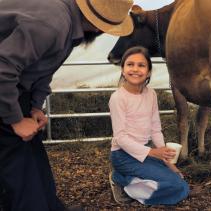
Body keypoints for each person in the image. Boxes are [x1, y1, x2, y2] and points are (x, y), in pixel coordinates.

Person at [0, 0, 134, 210]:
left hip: (12, 87)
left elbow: (44, 69)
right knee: (18, 163)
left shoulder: (67, 23)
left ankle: (50, 206)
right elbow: (3, 68)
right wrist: (14, 120)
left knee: (33, 154)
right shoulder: (52, 23)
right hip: (4, 84)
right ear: (98, 25)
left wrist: (35, 106)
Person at [109, 46, 190, 205]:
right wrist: (154, 152)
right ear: (123, 69)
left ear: (149, 72)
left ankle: (127, 179)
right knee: (180, 187)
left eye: (141, 65)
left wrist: (167, 160)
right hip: (123, 156)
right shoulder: (118, 98)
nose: (135, 69)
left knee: (177, 177)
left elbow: (155, 128)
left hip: (144, 152)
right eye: (130, 64)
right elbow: (120, 138)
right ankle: (123, 184)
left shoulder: (151, 94)